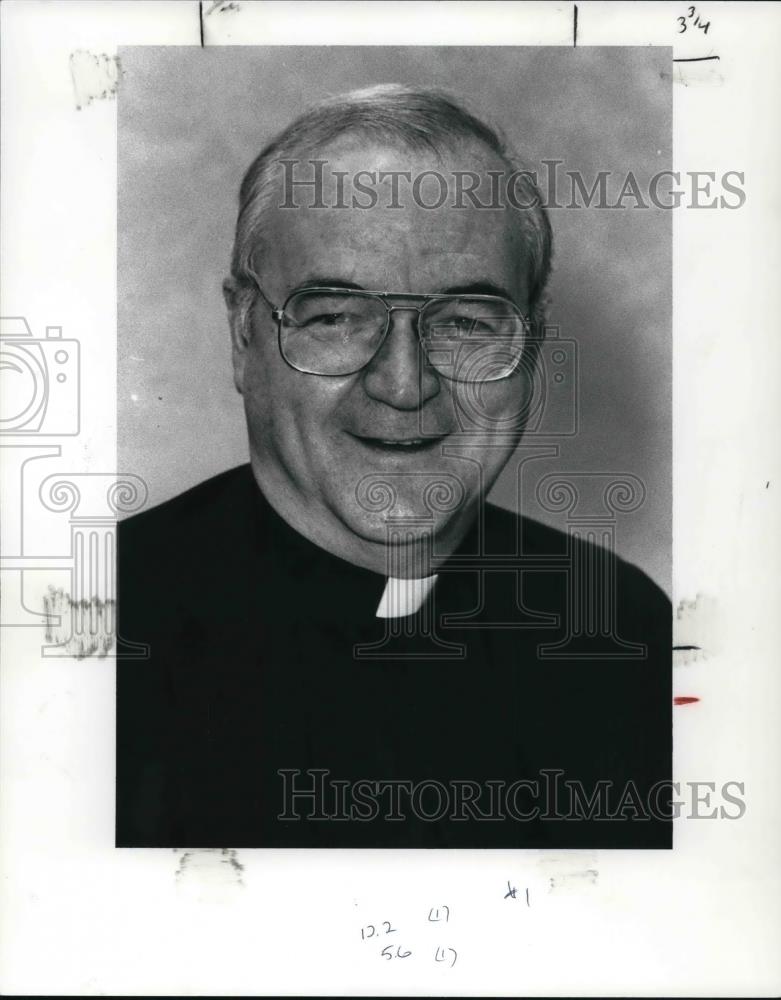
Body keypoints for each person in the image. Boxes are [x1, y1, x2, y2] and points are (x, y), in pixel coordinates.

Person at [116, 85, 671, 849]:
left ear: (532, 344)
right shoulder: (94, 634)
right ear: (245, 336)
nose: (404, 385)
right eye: (337, 317)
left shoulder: (619, 628)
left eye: (468, 322)